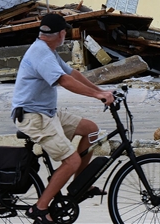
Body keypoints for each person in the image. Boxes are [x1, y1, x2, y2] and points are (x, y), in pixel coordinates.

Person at [11, 13, 115, 223]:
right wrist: (97, 95)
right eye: (65, 32)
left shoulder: (48, 50)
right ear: (60, 34)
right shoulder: (41, 53)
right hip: (33, 116)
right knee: (72, 160)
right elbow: (64, 81)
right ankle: (39, 209)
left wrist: (101, 91)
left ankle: (79, 185)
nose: (65, 35)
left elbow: (72, 74)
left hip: (47, 112)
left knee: (91, 129)